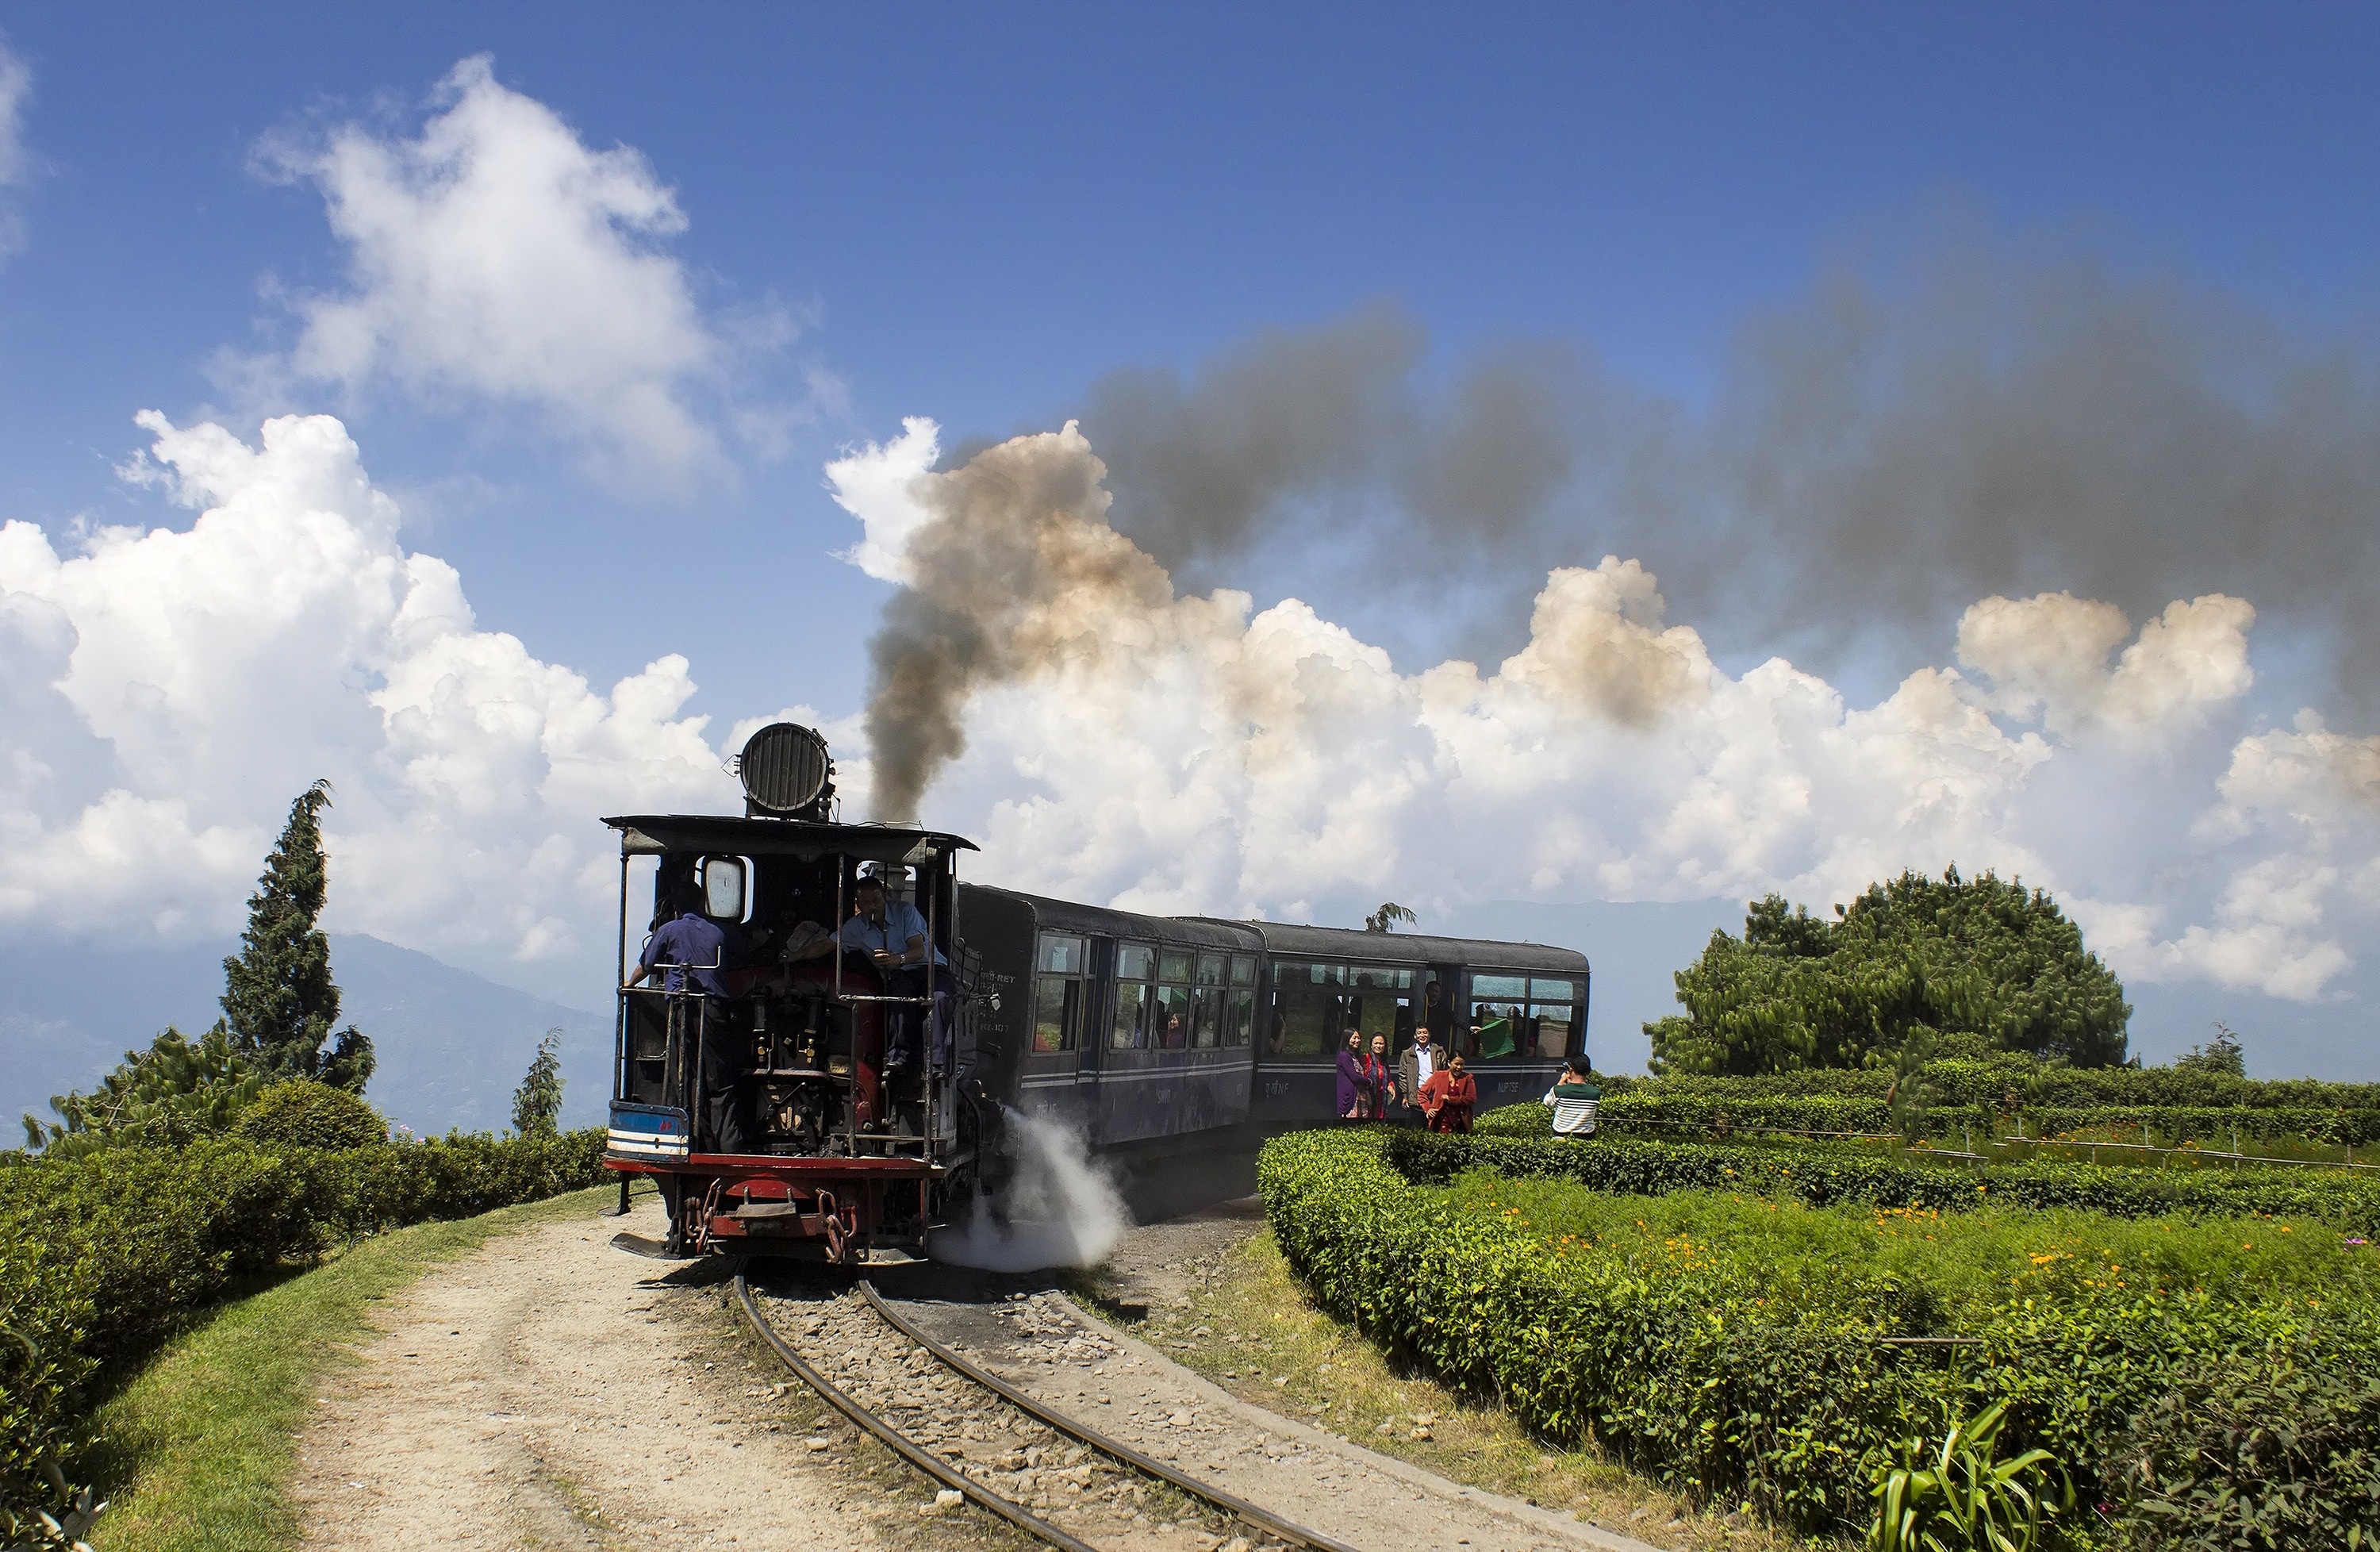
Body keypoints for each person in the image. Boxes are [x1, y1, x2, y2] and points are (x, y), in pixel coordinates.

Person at [624, 885, 748, 1154]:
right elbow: (744, 952)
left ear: (676, 908)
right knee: (719, 1080)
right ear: (704, 902)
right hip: (713, 1009)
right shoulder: (718, 931)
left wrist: (627, 984)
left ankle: (690, 1141)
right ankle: (729, 1146)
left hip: (682, 1009)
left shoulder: (668, 930)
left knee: (685, 1075)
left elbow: (646, 965)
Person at [797, 874, 950, 1076]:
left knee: (941, 999)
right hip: (899, 975)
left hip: (931, 969)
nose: (873, 907)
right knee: (898, 994)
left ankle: (936, 1065)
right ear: (858, 904)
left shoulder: (906, 911)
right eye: (867, 903)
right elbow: (826, 945)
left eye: (876, 900)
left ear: (884, 896)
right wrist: (794, 956)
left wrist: (896, 959)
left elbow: (918, 950)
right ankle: (898, 1058)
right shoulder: (855, 927)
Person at [1419, 1051, 1477, 1134]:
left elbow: (1471, 1099)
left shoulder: (1468, 1078)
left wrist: (1451, 1099)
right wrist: (1428, 1108)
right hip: (1441, 1121)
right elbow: (1422, 1093)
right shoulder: (1438, 1076)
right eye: (1456, 1064)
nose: (1459, 1067)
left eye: (1462, 1065)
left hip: (1461, 1122)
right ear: (1449, 1063)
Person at [1542, 1060, 1602, 1138]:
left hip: (1560, 1136)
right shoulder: (1595, 1092)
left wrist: (1561, 1083)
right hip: (1586, 1137)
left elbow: (1548, 1103)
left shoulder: (1558, 1090)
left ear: (1570, 1069)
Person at [1397, 1026, 1441, 1128]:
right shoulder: (1407, 1054)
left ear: (1429, 1035)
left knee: (1435, 1128)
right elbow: (1403, 1076)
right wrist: (1405, 1095)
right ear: (1415, 1036)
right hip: (1416, 1096)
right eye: (1419, 1033)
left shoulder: (1439, 1052)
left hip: (1434, 1095)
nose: (1422, 1035)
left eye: (1425, 1032)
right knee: (1417, 1128)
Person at [1334, 1029, 1368, 1120]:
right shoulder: (1343, 1056)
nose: (1357, 1040)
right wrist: (1369, 1081)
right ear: (1347, 1039)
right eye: (1354, 1038)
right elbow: (1354, 1077)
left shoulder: (1354, 1056)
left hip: (1360, 1095)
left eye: (1359, 1038)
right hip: (1351, 1097)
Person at [1365, 1033, 1396, 1121]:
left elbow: (1389, 1079)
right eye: (1376, 1043)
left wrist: (1390, 1086)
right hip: (1368, 1099)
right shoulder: (1365, 1060)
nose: (1378, 1046)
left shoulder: (1384, 1063)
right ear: (1371, 1045)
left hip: (1381, 1100)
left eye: (1381, 1044)